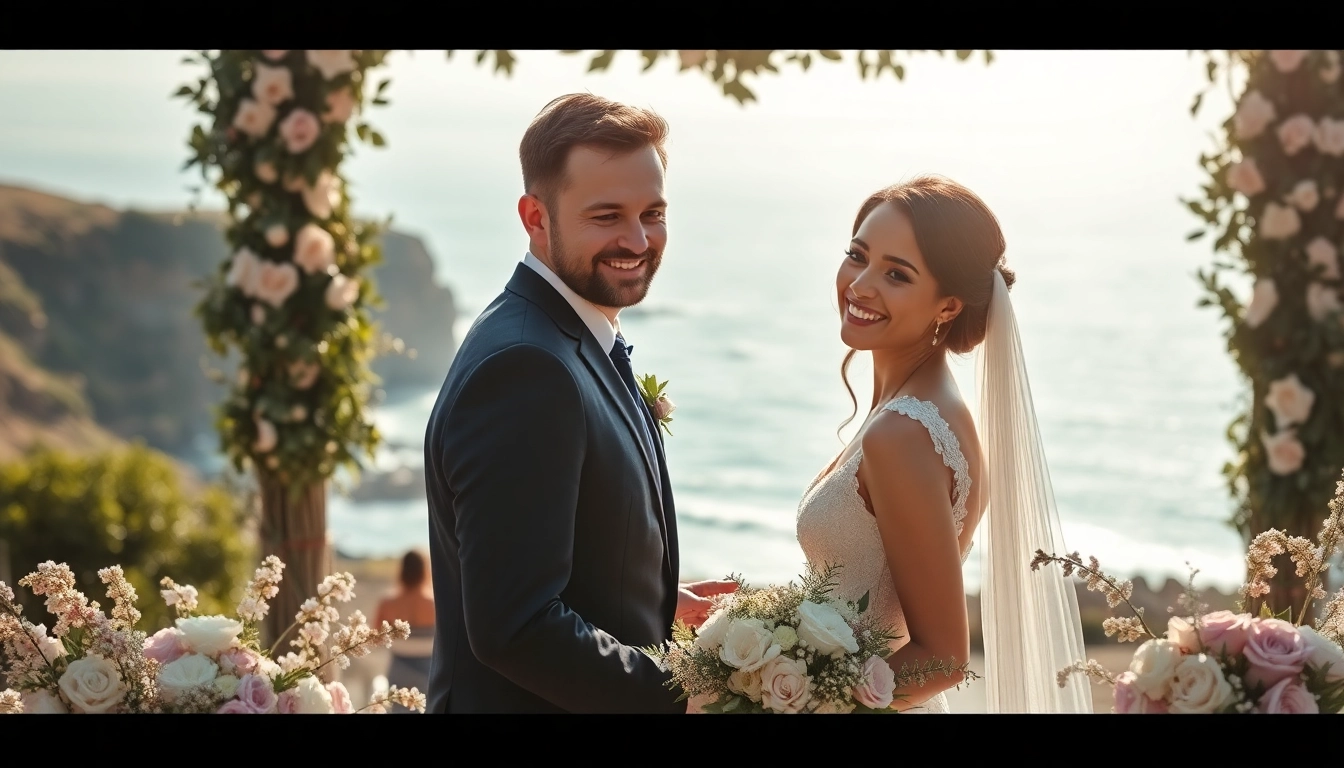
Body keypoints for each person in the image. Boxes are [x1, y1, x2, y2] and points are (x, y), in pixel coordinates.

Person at [423, 93, 736, 713]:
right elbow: (516, 625)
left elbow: (552, 549)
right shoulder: (526, 368)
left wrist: (657, 603)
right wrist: (687, 696)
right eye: (606, 215)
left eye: (653, 213)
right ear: (535, 217)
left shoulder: (567, 335)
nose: (637, 239)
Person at [795, 175, 1093, 713]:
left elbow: (943, 658)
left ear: (948, 306)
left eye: (896, 274)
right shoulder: (924, 410)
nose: (860, 284)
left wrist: (800, 706)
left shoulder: (902, 434)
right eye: (857, 256)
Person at [374, 549, 435, 712]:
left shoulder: (388, 603)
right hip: (429, 670)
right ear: (424, 570)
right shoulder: (434, 603)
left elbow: (375, 638)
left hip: (399, 668)